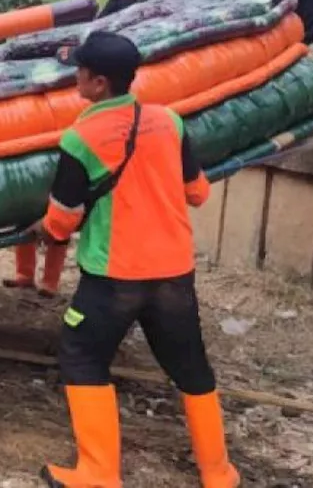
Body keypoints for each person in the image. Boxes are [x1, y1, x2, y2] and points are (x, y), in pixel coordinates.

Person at [32, 31, 237, 488]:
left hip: (114, 277)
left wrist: (42, 230)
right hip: (174, 274)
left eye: (81, 70)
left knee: (82, 355)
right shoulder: (169, 121)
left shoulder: (81, 136)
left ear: (99, 82)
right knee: (191, 366)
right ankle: (218, 473)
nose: (76, 76)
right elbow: (197, 193)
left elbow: (62, 222)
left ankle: (99, 473)